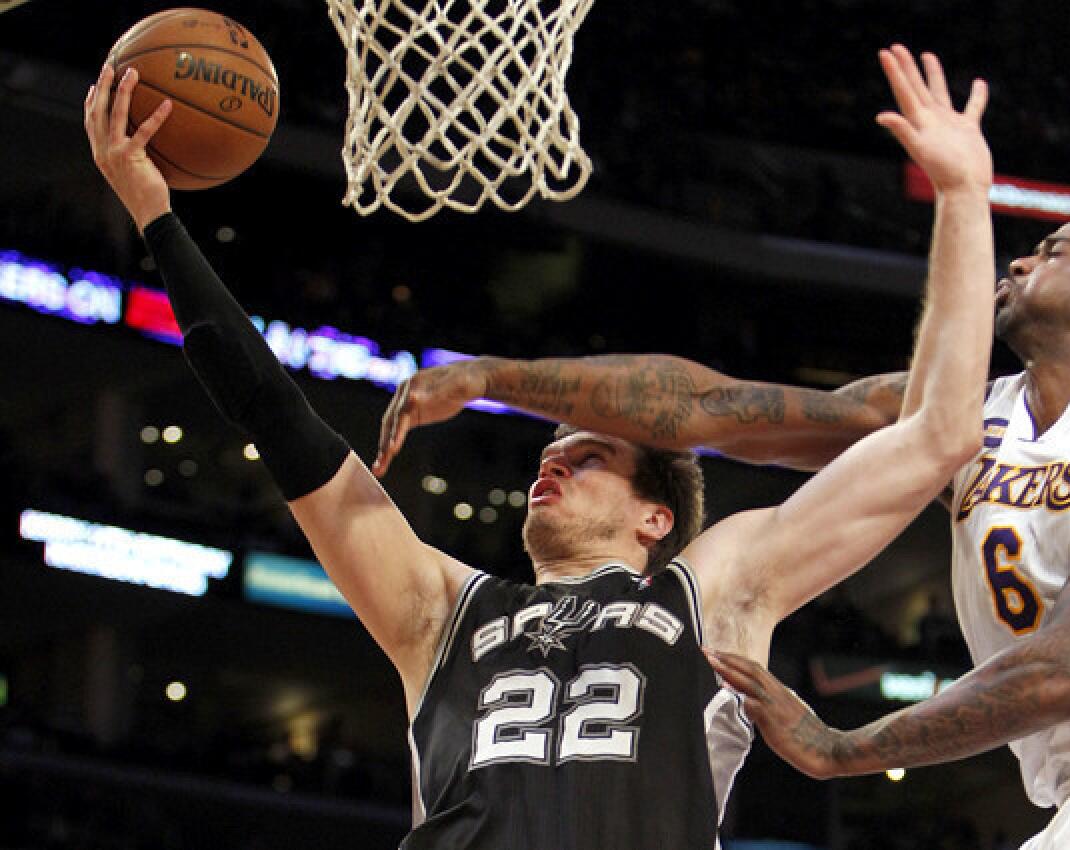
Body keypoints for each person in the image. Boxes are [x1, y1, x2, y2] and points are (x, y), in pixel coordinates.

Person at [85, 45, 994, 849]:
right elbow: (277, 420)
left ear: (657, 515)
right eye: (550, 453)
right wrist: (159, 220)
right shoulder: (441, 611)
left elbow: (940, 435)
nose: (550, 462)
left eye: (588, 454)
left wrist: (961, 197)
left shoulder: (712, 589)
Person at [377, 153, 1070, 850]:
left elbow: (1064, 671)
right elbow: (714, 409)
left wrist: (841, 748)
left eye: (1054, 251)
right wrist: (495, 378)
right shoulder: (971, 418)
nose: (1020, 262)